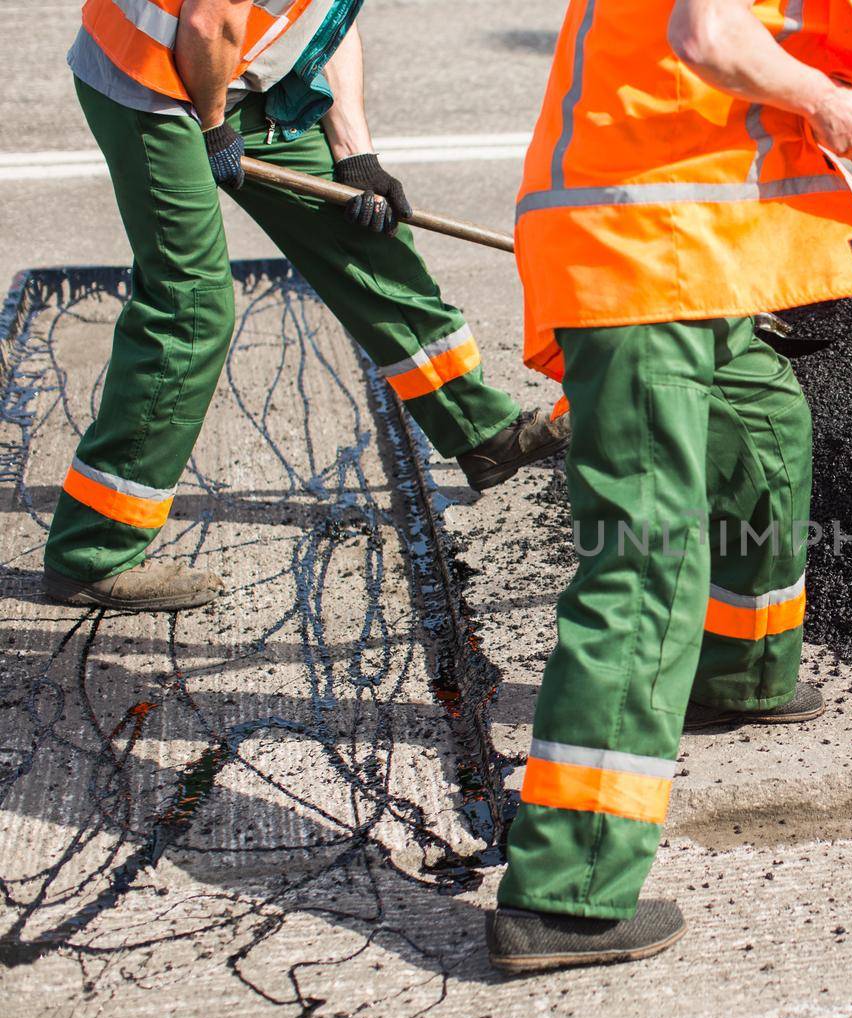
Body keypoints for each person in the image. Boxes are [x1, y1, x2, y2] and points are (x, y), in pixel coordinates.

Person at [486, 0, 852, 972]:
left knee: (765, 428)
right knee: (646, 567)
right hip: (639, 268)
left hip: (696, 267)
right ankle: (565, 893)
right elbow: (709, 39)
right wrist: (820, 92)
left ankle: (740, 674)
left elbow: (775, 123)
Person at [45, 0, 570, 613]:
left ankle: (482, 432)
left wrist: (356, 156)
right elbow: (206, 24)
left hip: (234, 68)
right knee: (190, 305)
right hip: (151, 77)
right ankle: (94, 550)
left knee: (361, 232)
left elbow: (330, 17)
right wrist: (214, 128)